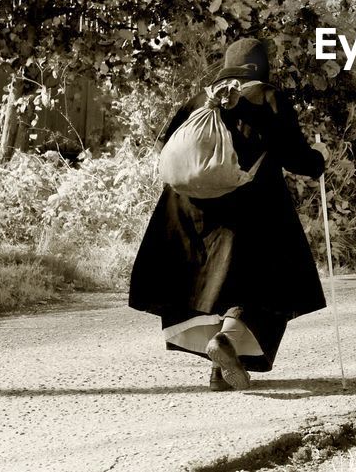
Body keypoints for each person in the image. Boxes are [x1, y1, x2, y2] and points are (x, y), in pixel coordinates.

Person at [128, 37, 329, 391]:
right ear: (260, 68)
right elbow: (294, 155)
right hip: (250, 208)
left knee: (208, 285)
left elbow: (162, 148)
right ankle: (227, 343)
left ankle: (217, 370)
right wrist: (318, 160)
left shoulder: (200, 101)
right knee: (271, 278)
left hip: (187, 211)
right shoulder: (268, 97)